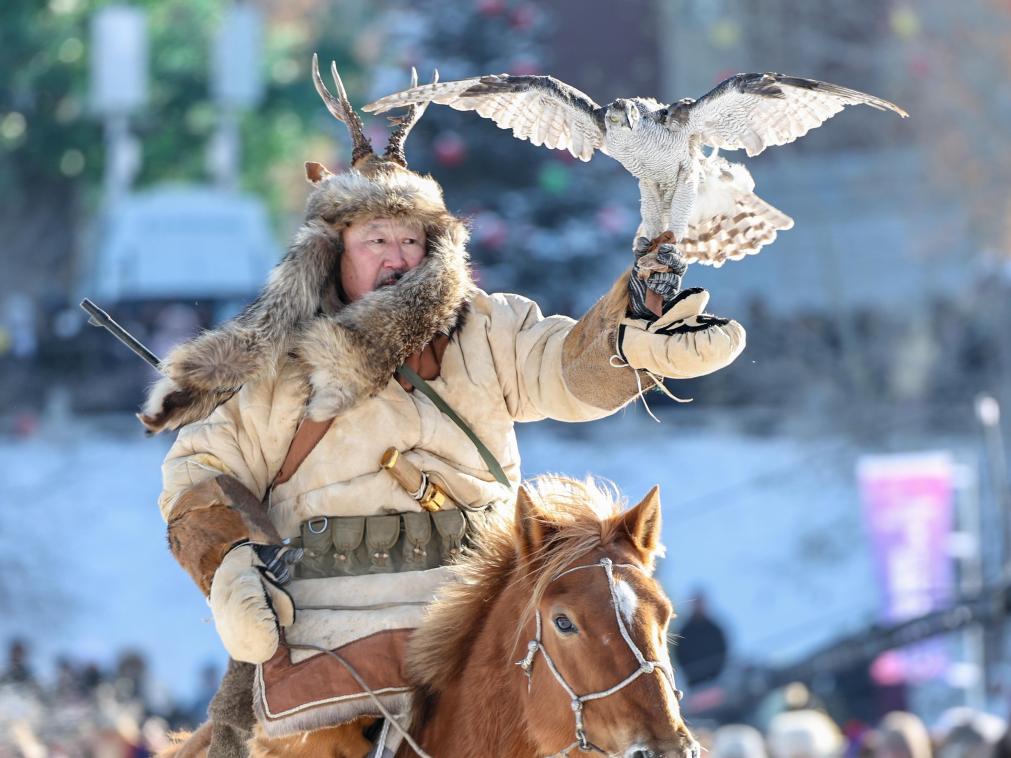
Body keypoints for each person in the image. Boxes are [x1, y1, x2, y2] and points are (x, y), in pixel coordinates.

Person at [144, 59, 746, 757]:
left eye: (410, 241)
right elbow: (199, 473)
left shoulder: (486, 328)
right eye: (376, 241)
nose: (398, 257)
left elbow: (561, 368)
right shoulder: (273, 368)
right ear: (330, 252)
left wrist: (630, 344)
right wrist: (229, 567)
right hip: (331, 624)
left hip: (487, 610)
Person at [673, 590, 730, 687]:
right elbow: (679, 653)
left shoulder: (715, 629)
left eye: (701, 603)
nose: (699, 606)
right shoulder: (685, 631)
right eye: (696, 603)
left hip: (716, 682)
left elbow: (724, 651)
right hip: (694, 684)